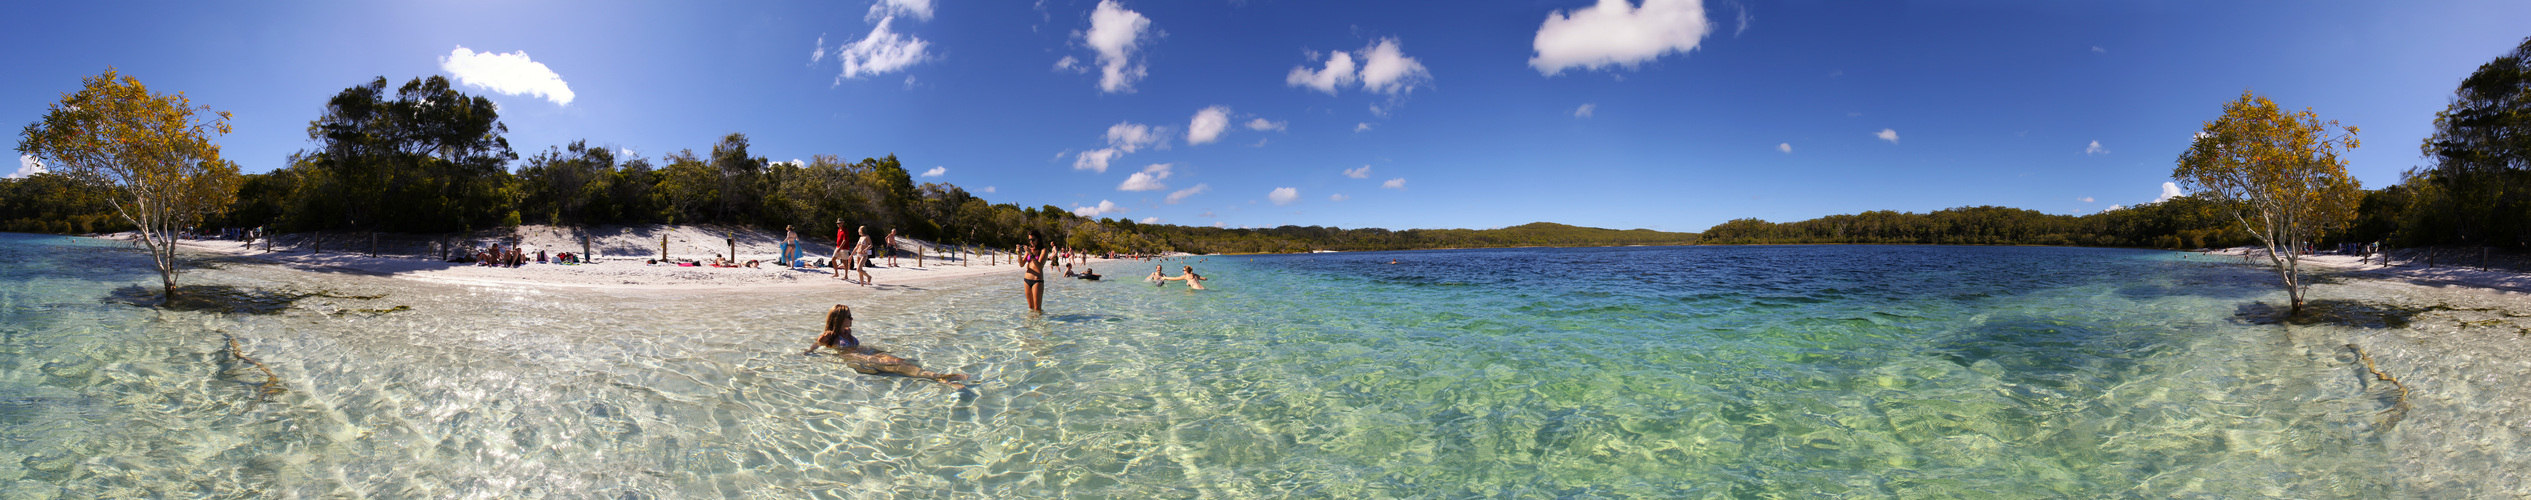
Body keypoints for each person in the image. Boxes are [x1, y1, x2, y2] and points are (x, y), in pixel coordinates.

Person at [802, 305, 966, 389]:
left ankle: (939, 375)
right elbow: (815, 346)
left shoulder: (848, 332)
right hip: (855, 359)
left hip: (863, 354)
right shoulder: (829, 336)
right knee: (897, 367)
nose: (852, 318)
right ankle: (941, 379)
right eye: (849, 316)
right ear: (838, 319)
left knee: (900, 361)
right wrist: (807, 353)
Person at [1021, 231, 1050, 313]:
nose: (1031, 242)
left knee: (1037, 308)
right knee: (1030, 308)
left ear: (1038, 239)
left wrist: (1031, 254)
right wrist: (1019, 254)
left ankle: (1039, 325)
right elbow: (1021, 264)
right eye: (1029, 240)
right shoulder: (1029, 250)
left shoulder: (1043, 250)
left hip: (1037, 280)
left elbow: (1039, 267)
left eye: (1033, 240)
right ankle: (1031, 324)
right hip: (1027, 280)